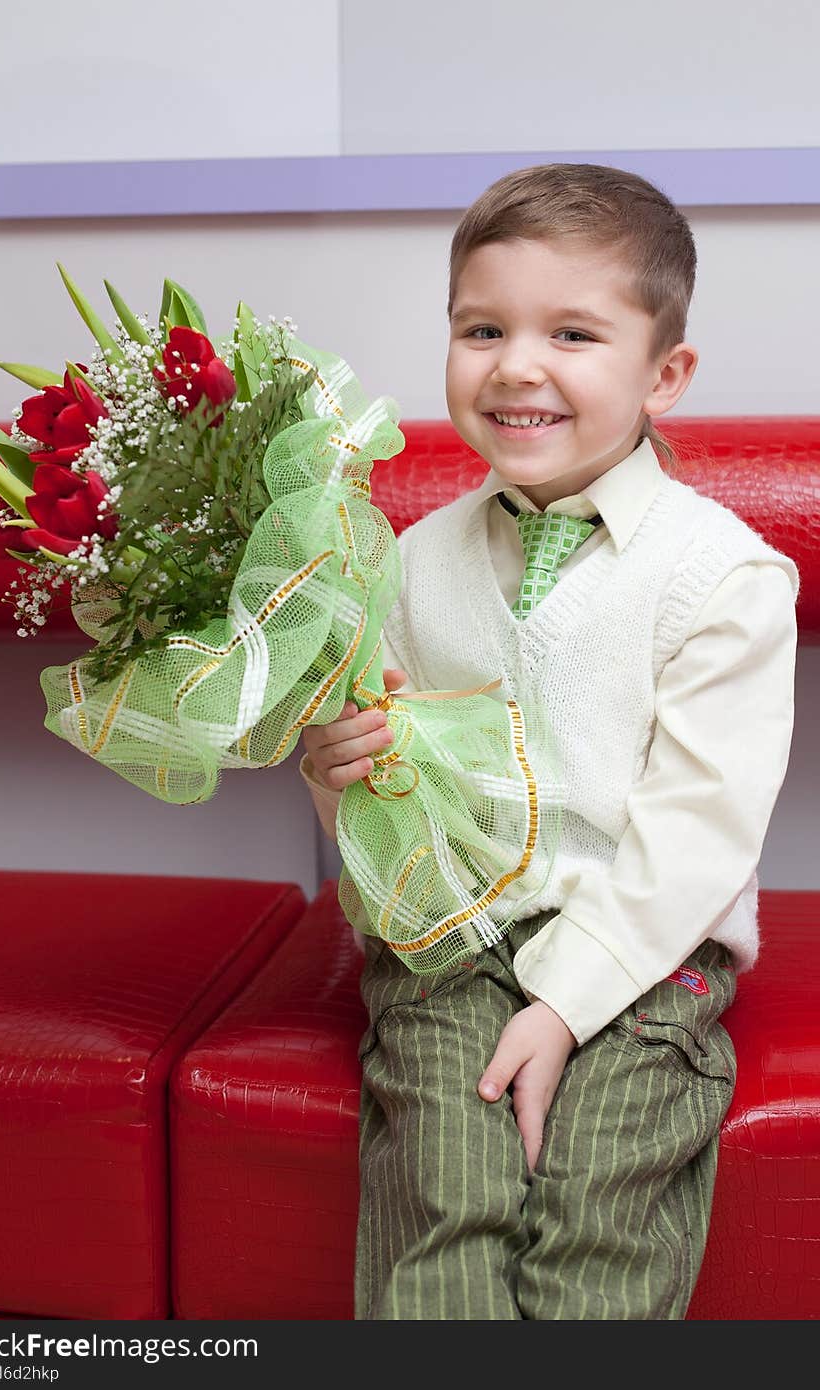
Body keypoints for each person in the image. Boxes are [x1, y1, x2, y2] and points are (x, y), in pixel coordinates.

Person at [299, 163, 799, 1320]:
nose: (516, 364)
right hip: (448, 937)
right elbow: (390, 835)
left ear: (663, 374)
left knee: (601, 1200)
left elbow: (696, 834)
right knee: (444, 1180)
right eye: (483, 328)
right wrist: (340, 779)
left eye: (571, 331)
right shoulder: (409, 560)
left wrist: (565, 1004)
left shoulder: (719, 573)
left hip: (642, 940)